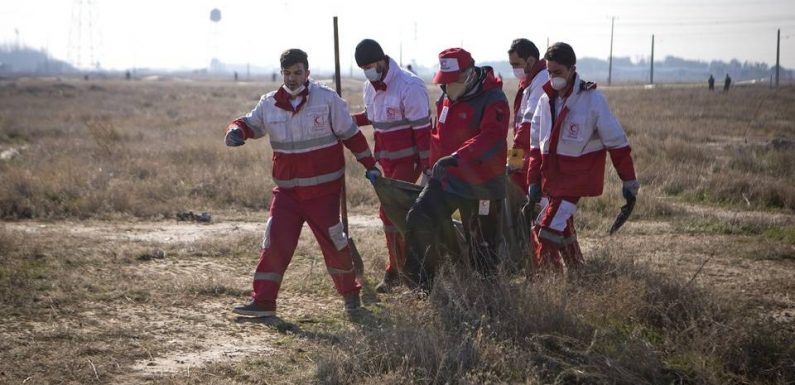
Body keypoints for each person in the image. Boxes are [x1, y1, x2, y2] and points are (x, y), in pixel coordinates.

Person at [224, 49, 381, 317]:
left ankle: (351, 299)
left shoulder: (327, 100)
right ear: (281, 73)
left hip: (323, 193)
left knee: (335, 244)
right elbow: (248, 124)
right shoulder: (269, 103)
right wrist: (235, 132)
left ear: (307, 73)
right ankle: (263, 303)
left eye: (297, 72)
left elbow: (352, 136)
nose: (292, 78)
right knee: (274, 243)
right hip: (287, 194)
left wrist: (370, 166)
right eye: (287, 73)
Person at [526, 42, 639, 273]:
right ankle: (580, 273)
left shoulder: (593, 101)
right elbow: (535, 146)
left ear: (572, 69)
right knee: (562, 228)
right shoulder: (545, 101)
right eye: (549, 72)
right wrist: (534, 181)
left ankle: (547, 286)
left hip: (576, 180)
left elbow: (617, 144)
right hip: (553, 180)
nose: (553, 77)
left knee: (546, 231)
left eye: (558, 72)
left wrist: (629, 182)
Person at [403, 48, 509, 289]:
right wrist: (430, 167)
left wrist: (456, 157)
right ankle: (422, 288)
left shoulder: (494, 100)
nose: (446, 87)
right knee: (418, 219)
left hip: (483, 185)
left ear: (469, 75)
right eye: (444, 81)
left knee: (482, 248)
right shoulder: (446, 98)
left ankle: (488, 300)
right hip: (448, 179)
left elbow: (491, 137)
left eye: (451, 81)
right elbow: (439, 137)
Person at [351, 39, 432, 293]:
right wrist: (344, 120)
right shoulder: (369, 87)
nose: (368, 70)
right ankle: (398, 268)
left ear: (383, 59)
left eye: (371, 65)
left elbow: (423, 131)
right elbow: (372, 116)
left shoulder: (410, 86)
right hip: (385, 161)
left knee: (393, 214)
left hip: (409, 161)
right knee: (391, 215)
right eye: (363, 67)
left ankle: (403, 271)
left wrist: (428, 166)